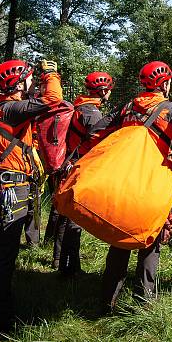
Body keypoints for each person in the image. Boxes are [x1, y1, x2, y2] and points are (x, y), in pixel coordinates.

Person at [89, 61, 172, 311]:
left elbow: (97, 131)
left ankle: (107, 300)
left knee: (120, 239)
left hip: (125, 181)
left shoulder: (127, 107)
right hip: (153, 183)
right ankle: (144, 303)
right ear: (164, 83)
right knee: (150, 241)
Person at [0, 59, 63, 332]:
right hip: (10, 191)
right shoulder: (12, 108)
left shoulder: (0, 107)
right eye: (28, 79)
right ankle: (2, 318)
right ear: (18, 82)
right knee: (4, 255)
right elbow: (53, 99)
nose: (32, 83)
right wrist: (49, 74)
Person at [51, 71, 115, 276]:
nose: (110, 93)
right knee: (74, 220)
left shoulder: (80, 106)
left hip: (69, 164)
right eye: (109, 89)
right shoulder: (92, 113)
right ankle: (70, 269)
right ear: (103, 90)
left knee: (66, 216)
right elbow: (104, 143)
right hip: (79, 166)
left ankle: (59, 260)